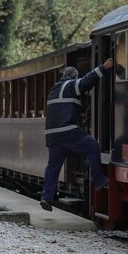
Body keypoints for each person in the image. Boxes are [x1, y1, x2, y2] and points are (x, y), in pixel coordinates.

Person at [41, 58, 114, 212]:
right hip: (68, 132)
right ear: (75, 77)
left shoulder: (54, 89)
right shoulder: (72, 85)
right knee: (92, 147)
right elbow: (87, 81)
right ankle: (99, 179)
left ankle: (46, 198)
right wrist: (104, 67)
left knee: (53, 167)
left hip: (53, 136)